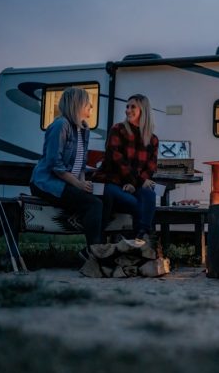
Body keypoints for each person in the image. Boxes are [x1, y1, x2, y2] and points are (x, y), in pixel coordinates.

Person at [30, 87, 105, 254]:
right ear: (77, 104)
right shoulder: (60, 126)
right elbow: (55, 165)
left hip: (67, 181)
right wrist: (78, 184)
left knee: (104, 200)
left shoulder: (84, 129)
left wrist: (83, 181)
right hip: (46, 183)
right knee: (94, 204)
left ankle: (99, 249)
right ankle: (94, 252)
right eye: (87, 102)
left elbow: (81, 162)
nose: (91, 106)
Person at [93, 94, 159, 242]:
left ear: (143, 110)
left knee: (149, 195)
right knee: (135, 203)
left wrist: (134, 184)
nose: (128, 110)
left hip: (132, 184)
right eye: (127, 107)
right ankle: (129, 241)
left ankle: (142, 237)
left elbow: (150, 167)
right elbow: (116, 159)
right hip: (111, 181)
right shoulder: (118, 129)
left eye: (132, 107)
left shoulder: (152, 139)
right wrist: (135, 181)